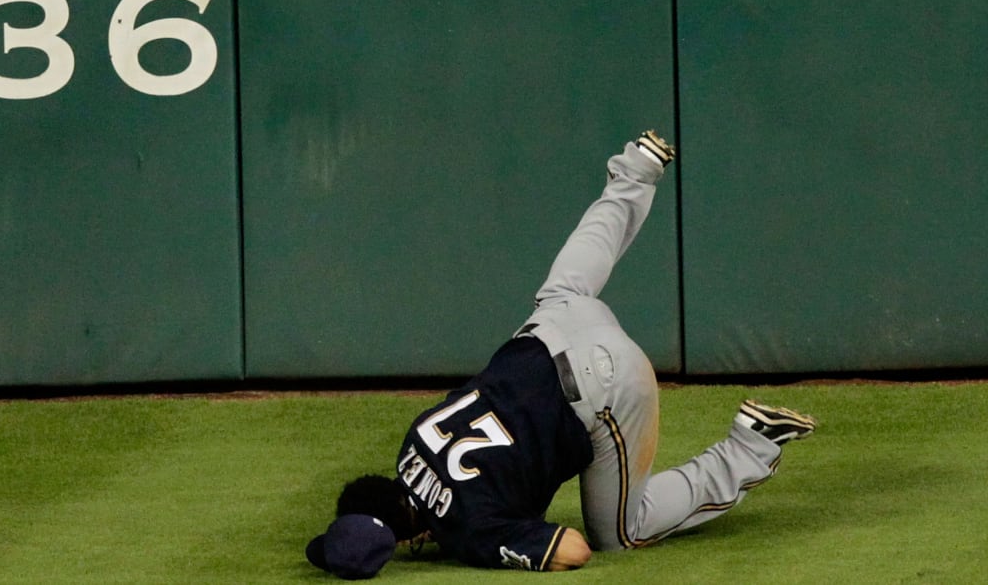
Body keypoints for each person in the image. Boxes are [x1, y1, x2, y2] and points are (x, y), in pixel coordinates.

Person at [306, 132, 817, 577]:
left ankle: (752, 444)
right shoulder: (412, 440)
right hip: (551, 329)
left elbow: (573, 550)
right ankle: (635, 171)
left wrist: (498, 540)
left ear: (409, 540)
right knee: (565, 283)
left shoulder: (470, 528)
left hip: (606, 388)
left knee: (620, 532)